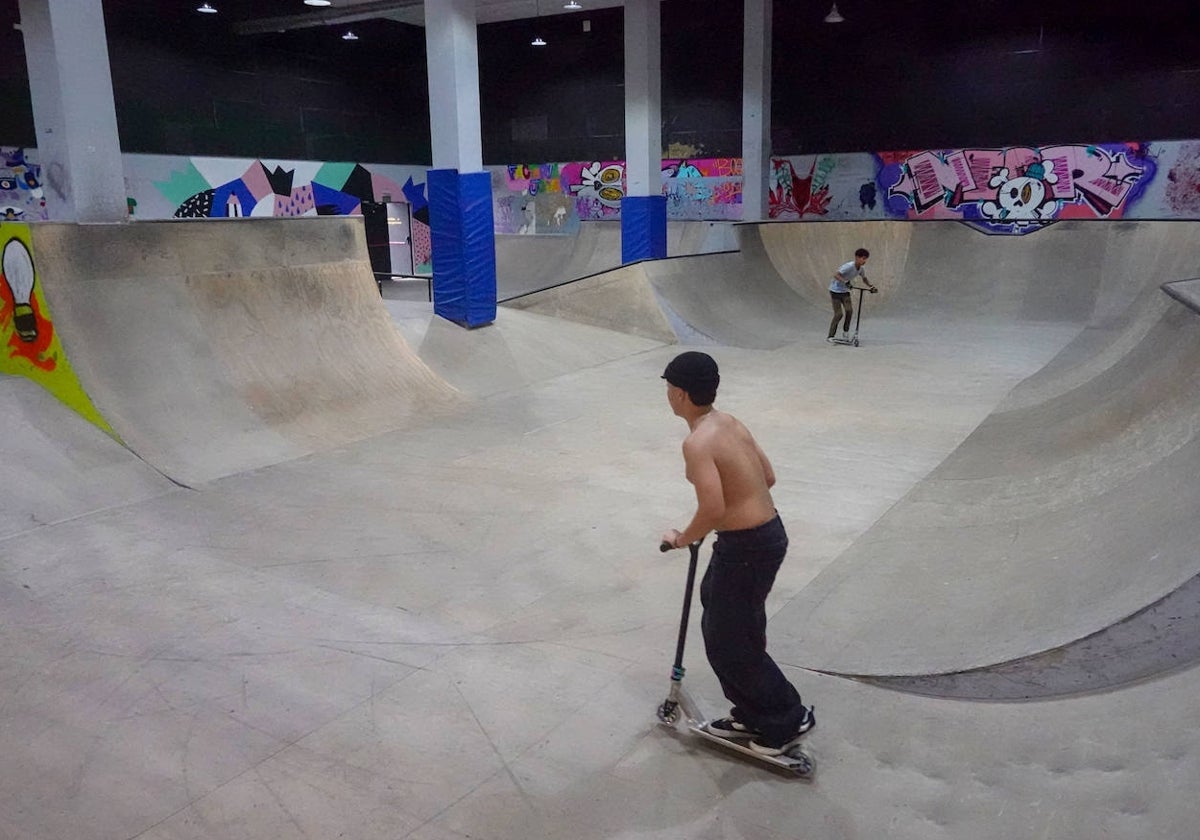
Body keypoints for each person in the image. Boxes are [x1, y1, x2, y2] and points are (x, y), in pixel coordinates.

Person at [659, 351, 814, 756]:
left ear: (678, 394)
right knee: (734, 624)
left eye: (668, 389)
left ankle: (784, 717)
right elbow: (768, 476)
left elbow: (712, 509)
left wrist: (682, 537)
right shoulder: (727, 422)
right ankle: (753, 710)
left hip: (746, 546)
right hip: (764, 537)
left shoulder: (697, 443)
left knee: (728, 641)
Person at [828, 247, 877, 343]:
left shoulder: (861, 269)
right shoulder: (849, 266)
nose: (864, 261)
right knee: (839, 314)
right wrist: (845, 281)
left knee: (849, 311)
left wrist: (871, 286)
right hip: (835, 291)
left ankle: (845, 332)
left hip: (845, 291)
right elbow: (836, 275)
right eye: (862, 258)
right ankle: (830, 336)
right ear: (857, 257)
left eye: (865, 259)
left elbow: (864, 278)